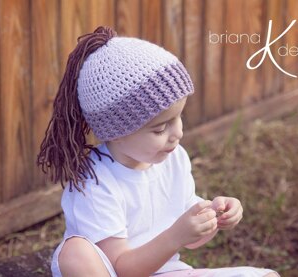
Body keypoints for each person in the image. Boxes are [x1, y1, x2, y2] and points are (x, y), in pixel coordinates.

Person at [37, 26, 279, 277]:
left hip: (167, 273)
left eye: (178, 118)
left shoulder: (174, 159)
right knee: (75, 252)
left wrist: (212, 217)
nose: (178, 133)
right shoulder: (95, 182)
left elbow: (191, 237)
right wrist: (175, 236)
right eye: (160, 128)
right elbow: (122, 268)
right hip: (111, 272)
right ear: (117, 132)